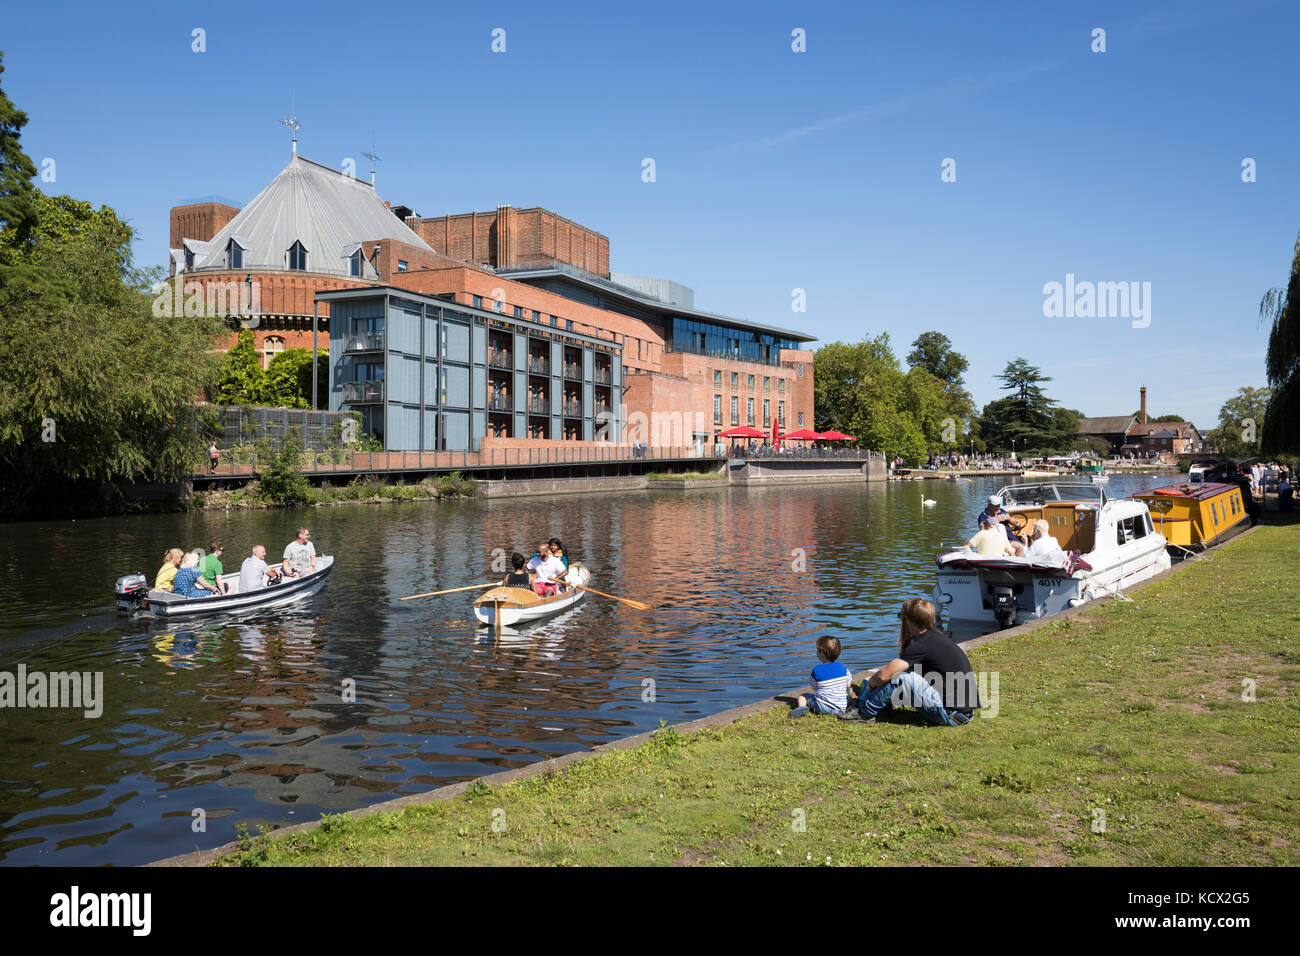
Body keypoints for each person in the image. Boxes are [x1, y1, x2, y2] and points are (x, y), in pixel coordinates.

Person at [840, 598, 980, 726]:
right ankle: (880, 705)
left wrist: (874, 681)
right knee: (902, 673)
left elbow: (885, 676)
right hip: (963, 714)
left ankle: (864, 713)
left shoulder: (919, 643)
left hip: (951, 715)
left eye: (901, 617)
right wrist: (876, 679)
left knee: (900, 678)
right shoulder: (935, 638)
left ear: (909, 620)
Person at [789, 636, 852, 718]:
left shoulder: (817, 670)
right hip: (841, 707)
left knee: (803, 696)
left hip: (823, 706)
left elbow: (813, 687)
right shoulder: (843, 667)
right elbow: (848, 683)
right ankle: (848, 700)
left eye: (817, 649)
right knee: (847, 690)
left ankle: (801, 707)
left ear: (821, 653)